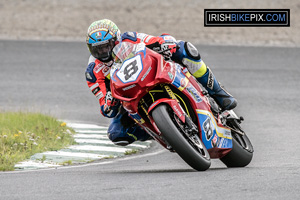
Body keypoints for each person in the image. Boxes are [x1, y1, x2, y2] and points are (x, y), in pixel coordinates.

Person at [85, 19, 237, 146]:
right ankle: (165, 132)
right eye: (98, 50)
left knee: (184, 49)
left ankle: (218, 93)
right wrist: (109, 102)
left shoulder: (129, 38)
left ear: (116, 39)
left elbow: (154, 40)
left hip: (150, 74)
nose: (103, 53)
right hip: (128, 96)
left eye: (106, 46)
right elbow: (106, 107)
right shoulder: (93, 71)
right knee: (117, 134)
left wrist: (165, 43)